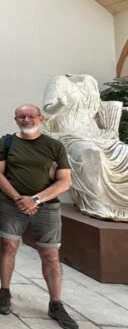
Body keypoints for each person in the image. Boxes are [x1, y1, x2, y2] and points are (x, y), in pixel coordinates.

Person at [0, 104, 79, 329]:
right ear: (15, 119)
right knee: (8, 245)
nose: (26, 120)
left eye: (31, 116)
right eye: (21, 116)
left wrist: (36, 200)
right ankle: (4, 291)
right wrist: (19, 199)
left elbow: (64, 180)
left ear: (41, 118)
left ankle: (56, 302)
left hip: (47, 207)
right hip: (12, 204)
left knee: (50, 254)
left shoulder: (54, 146)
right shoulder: (7, 142)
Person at [42, 74, 128, 222]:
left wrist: (121, 109)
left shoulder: (90, 81)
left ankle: (121, 204)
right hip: (68, 133)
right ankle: (95, 201)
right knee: (90, 152)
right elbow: (47, 112)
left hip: (95, 134)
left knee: (124, 151)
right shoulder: (58, 81)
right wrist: (60, 104)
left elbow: (99, 109)